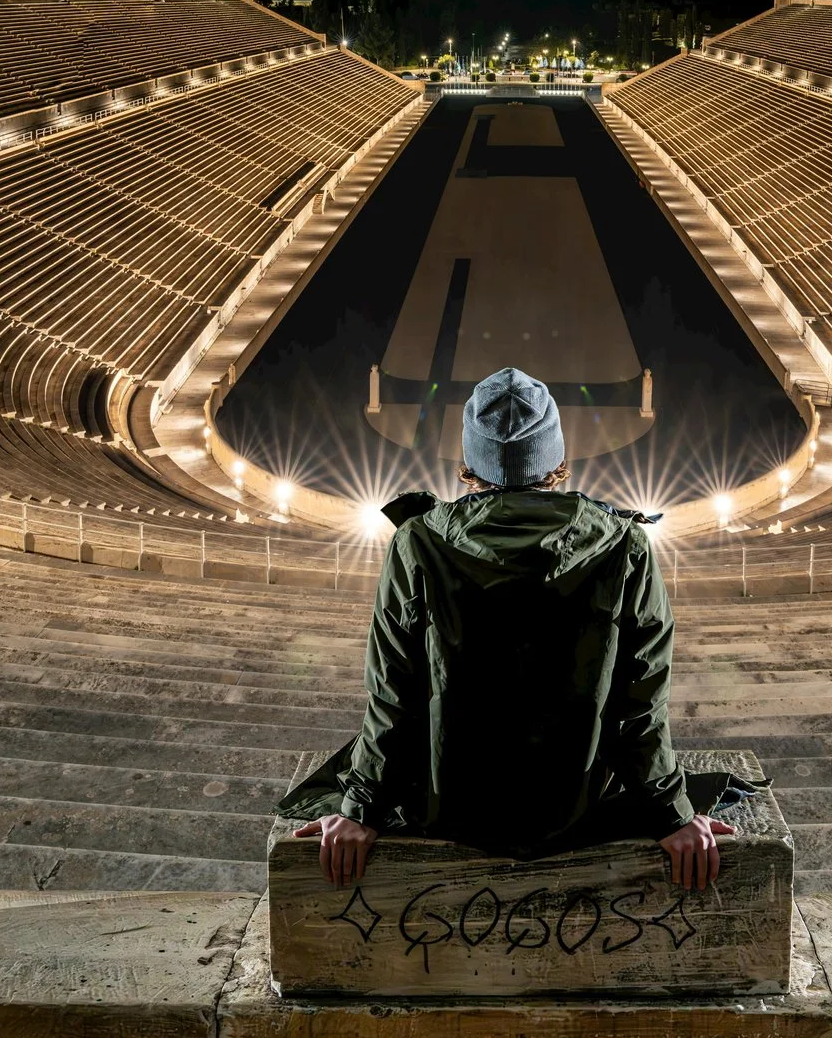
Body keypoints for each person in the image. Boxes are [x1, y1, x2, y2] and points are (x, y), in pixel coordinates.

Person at [281, 366, 733, 891]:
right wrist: (671, 816)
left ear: (469, 464)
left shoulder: (419, 542)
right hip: (573, 810)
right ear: (557, 462)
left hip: (452, 809)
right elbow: (640, 704)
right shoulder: (623, 544)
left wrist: (361, 807)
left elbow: (393, 696)